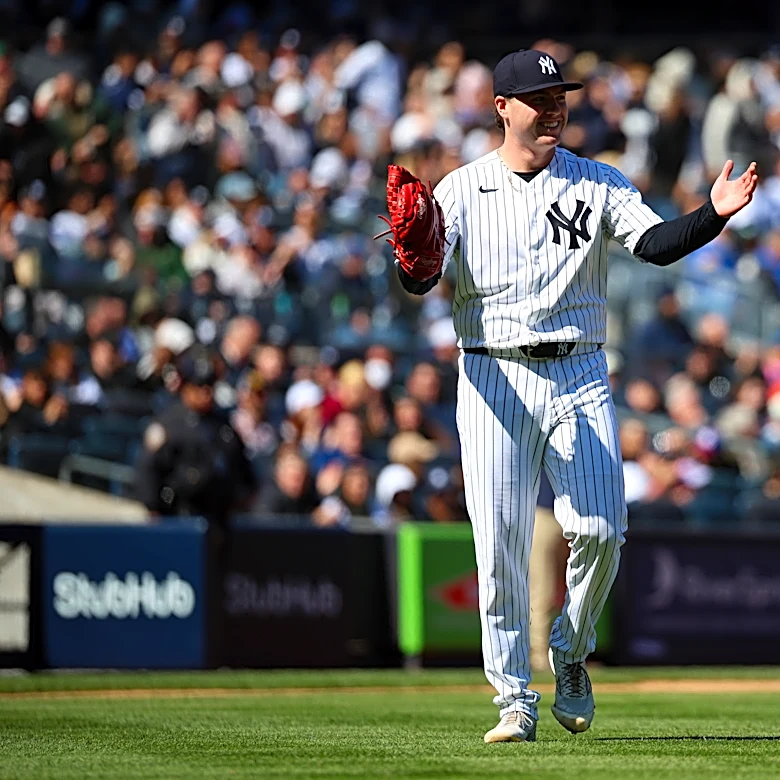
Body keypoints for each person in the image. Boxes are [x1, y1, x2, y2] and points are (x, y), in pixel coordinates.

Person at [393, 48, 758, 743]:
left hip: (579, 369)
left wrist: (710, 215)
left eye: (560, 96)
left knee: (600, 529)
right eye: (540, 98)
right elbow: (421, 278)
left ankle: (569, 647)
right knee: (499, 546)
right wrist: (412, 261)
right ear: (502, 108)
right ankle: (513, 700)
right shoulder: (462, 189)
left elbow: (652, 244)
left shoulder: (597, 180)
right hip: (492, 373)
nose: (554, 108)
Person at [134, 345, 259, 525]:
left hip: (217, 516)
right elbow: (148, 468)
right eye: (199, 386)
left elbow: (241, 467)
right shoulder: (168, 424)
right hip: (177, 514)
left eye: (210, 386)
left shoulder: (222, 426)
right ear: (186, 386)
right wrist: (153, 508)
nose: (206, 393)